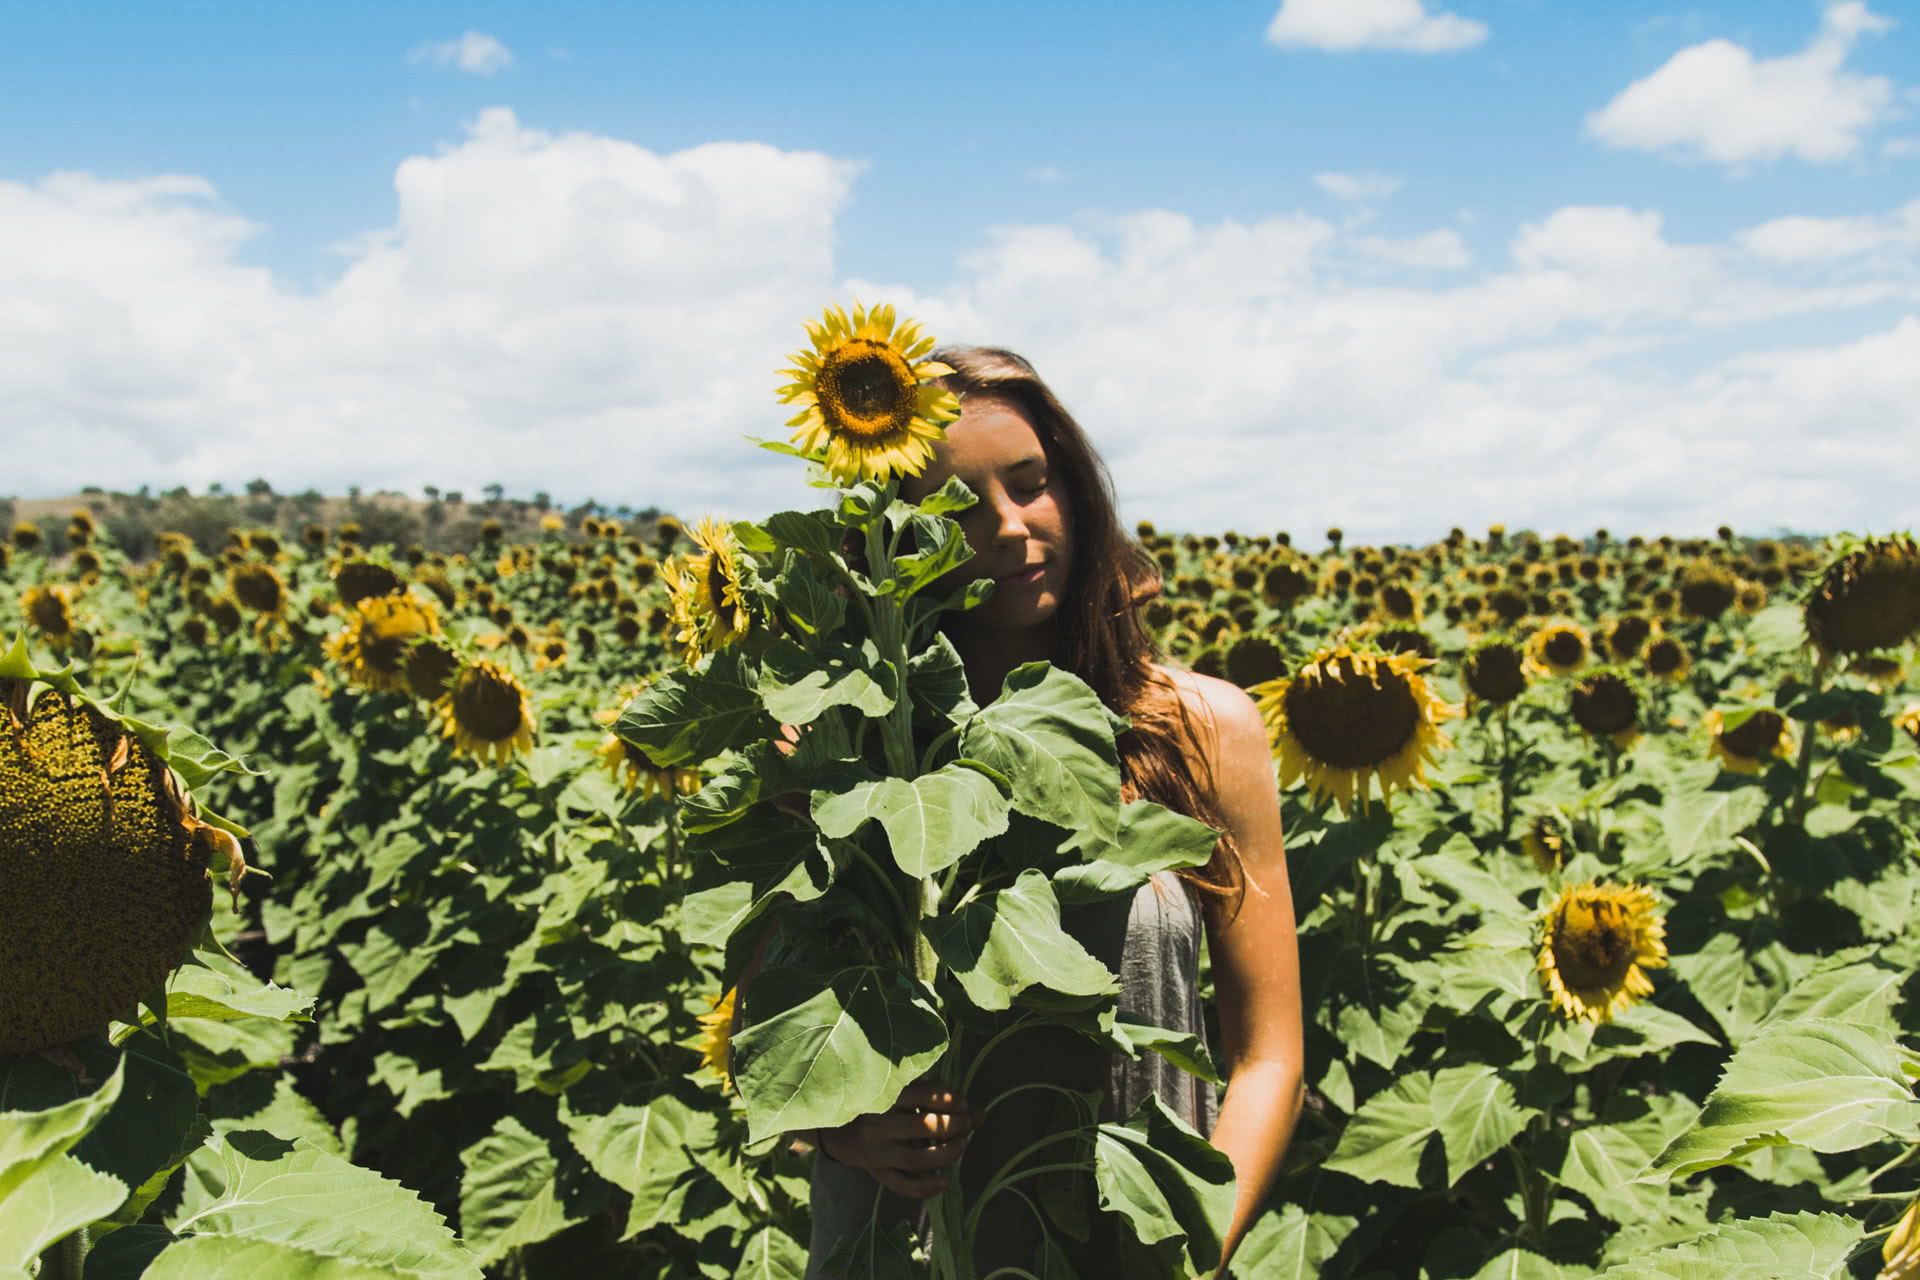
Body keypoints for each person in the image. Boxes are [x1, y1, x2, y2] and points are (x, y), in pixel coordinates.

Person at [798, 346, 1304, 1277]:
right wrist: (843, 1130)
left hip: (1131, 1245)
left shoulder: (1200, 730)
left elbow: (1270, 1055)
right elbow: (775, 1024)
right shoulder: (841, 748)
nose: (1008, 527)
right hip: (910, 1244)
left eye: (1032, 484)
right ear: (895, 535)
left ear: (1075, 488)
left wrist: (1194, 1242)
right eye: (956, 508)